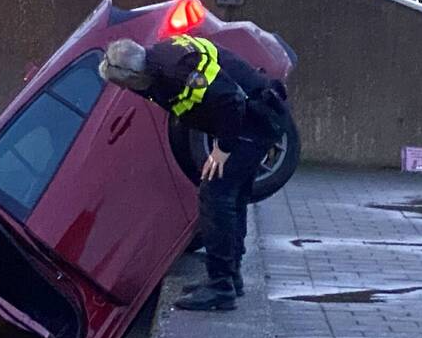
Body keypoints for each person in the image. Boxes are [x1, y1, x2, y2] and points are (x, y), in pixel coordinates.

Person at [99, 34, 289, 311]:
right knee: (233, 196)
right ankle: (230, 275)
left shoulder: (178, 69)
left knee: (216, 195)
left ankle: (221, 286)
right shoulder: (158, 63)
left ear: (132, 74)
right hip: (254, 118)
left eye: (124, 85)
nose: (127, 90)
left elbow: (230, 98)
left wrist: (222, 148)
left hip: (254, 121)